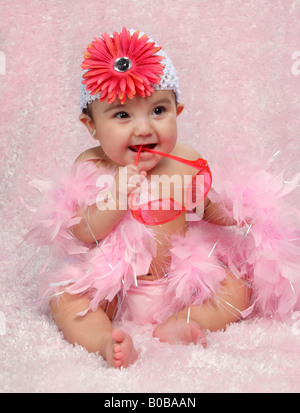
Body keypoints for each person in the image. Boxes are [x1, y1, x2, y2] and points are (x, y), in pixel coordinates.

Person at [25, 28, 300, 368]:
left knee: (236, 288)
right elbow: (84, 232)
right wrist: (116, 198)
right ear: (91, 125)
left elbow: (206, 210)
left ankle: (182, 323)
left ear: (177, 110)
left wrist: (238, 210)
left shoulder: (186, 161)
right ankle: (103, 340)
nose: (144, 128)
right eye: (123, 115)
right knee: (65, 296)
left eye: (158, 111)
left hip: (177, 284)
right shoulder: (92, 165)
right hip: (114, 290)